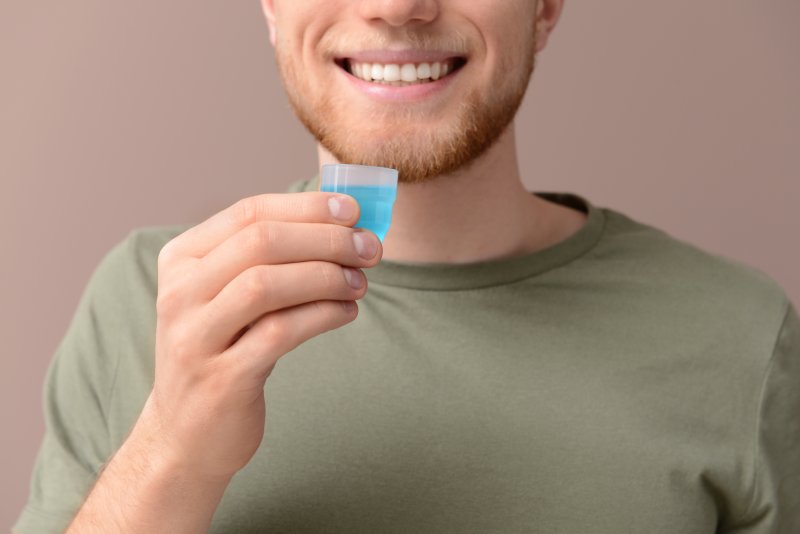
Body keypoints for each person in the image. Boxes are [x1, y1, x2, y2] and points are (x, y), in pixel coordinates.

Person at [13, 0, 799, 532]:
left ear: (547, 4)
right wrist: (174, 453)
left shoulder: (742, 340)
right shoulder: (148, 300)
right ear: (271, 4)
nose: (398, 2)